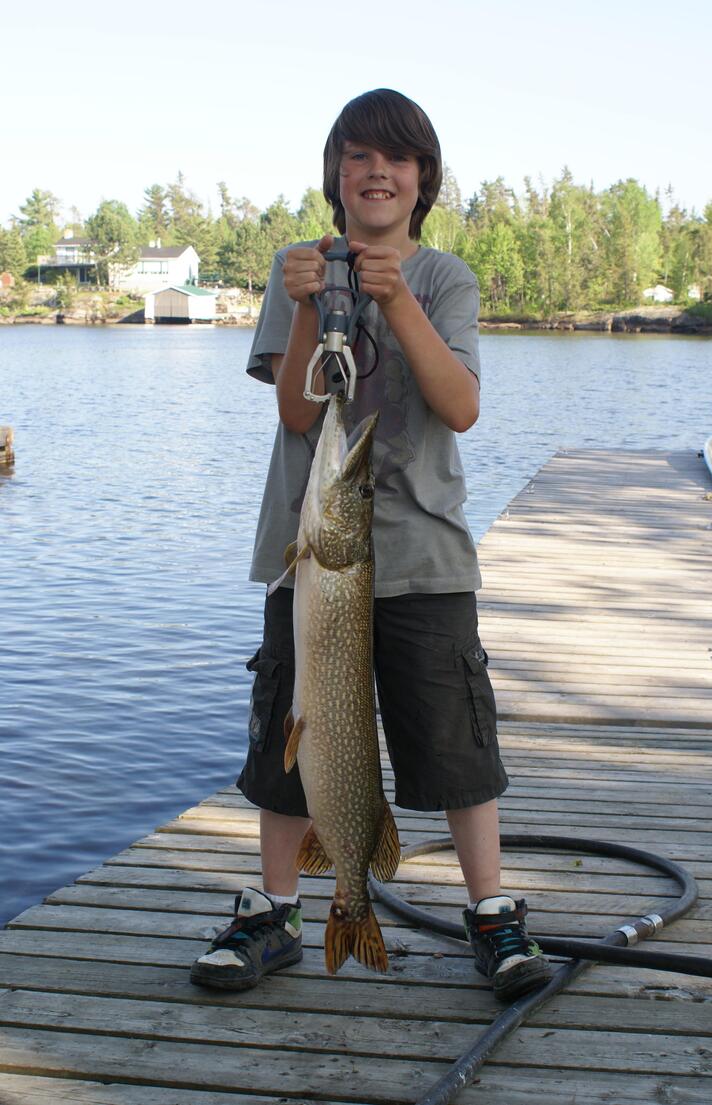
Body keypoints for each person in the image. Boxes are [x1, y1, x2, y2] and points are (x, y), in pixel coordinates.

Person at [190, 88, 551, 1003]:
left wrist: (402, 302)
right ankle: (274, 912)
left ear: (422, 178)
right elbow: (297, 411)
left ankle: (492, 915)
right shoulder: (295, 267)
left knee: (458, 744)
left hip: (424, 558)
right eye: (358, 157)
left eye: (396, 159)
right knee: (292, 735)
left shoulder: (447, 279)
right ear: (336, 175)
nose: (377, 173)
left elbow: (462, 407)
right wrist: (312, 302)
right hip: (311, 557)